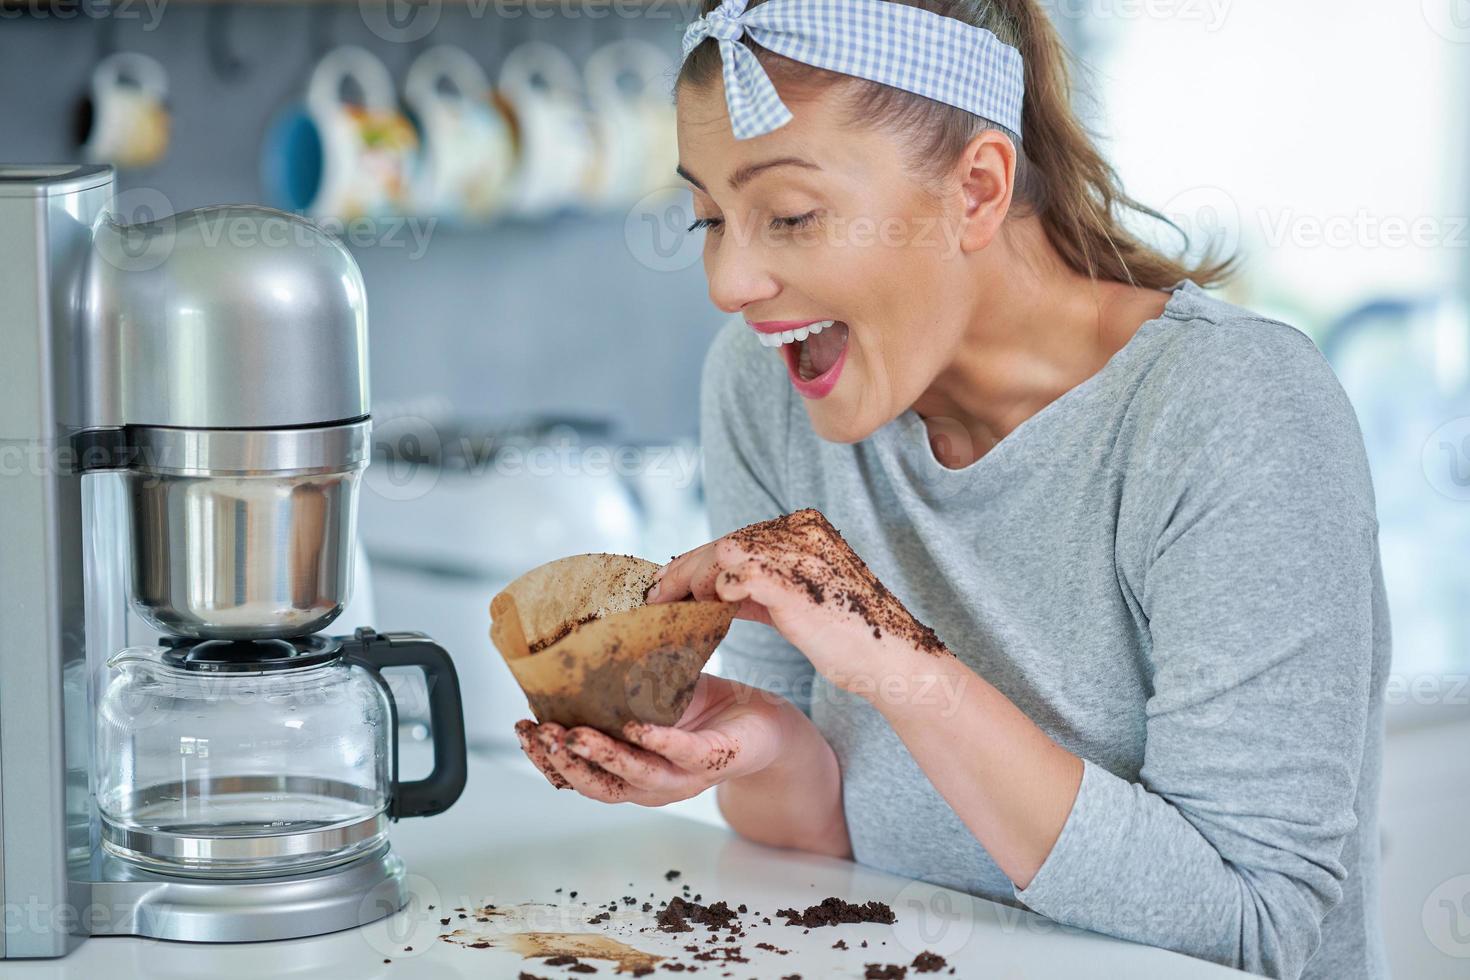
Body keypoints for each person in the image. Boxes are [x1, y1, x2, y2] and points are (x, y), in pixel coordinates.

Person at [516, 2, 1390, 978]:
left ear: (976, 190)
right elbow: (814, 857)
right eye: (710, 218)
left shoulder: (1229, 413)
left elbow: (1255, 927)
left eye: (791, 215)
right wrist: (764, 745)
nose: (729, 280)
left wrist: (902, 661)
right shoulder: (764, 384)